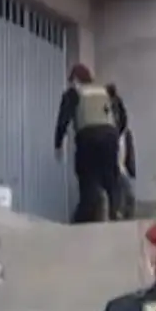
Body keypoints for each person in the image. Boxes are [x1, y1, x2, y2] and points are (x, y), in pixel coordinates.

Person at [55, 64, 121, 224]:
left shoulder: (74, 92)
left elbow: (63, 119)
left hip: (88, 136)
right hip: (110, 135)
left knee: (87, 177)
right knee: (110, 178)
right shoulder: (106, 91)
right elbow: (122, 115)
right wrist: (116, 133)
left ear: (76, 79)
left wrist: (58, 144)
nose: (70, 84)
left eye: (71, 80)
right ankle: (114, 213)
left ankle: (83, 218)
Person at [108, 84, 136, 220]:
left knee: (128, 198)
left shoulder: (125, 133)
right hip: (114, 169)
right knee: (124, 197)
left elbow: (129, 152)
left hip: (120, 168)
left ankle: (119, 217)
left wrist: (130, 169)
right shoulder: (108, 129)